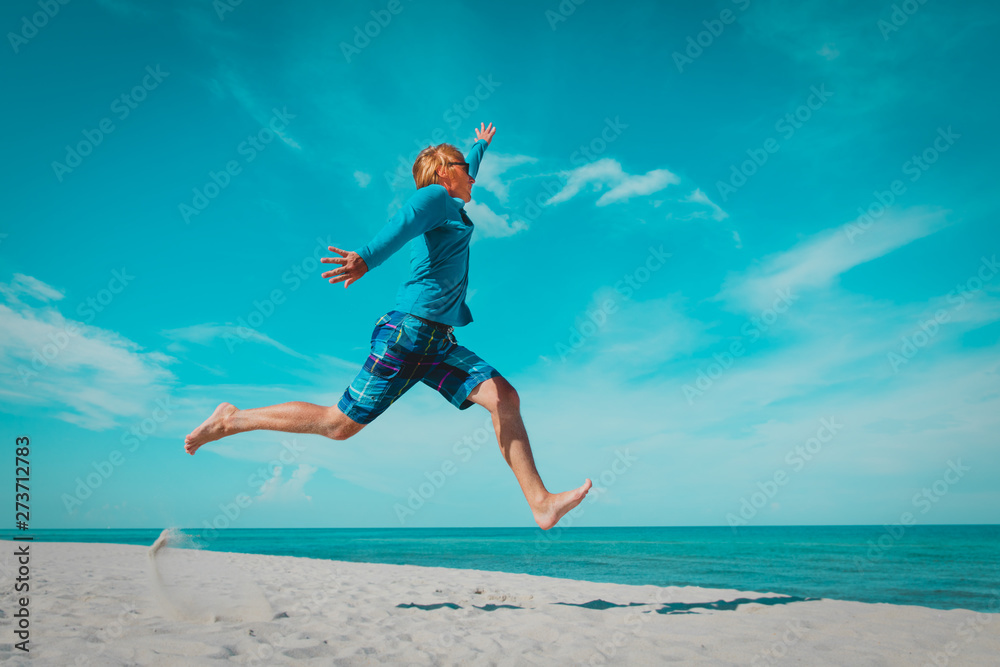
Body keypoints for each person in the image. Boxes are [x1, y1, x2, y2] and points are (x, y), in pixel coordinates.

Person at [185, 122, 591, 530]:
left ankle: (540, 503)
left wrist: (479, 147)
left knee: (504, 397)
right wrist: (364, 258)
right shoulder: (434, 197)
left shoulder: (453, 202)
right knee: (337, 425)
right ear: (444, 174)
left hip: (438, 343)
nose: (472, 174)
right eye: (464, 167)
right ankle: (231, 420)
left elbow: (465, 171)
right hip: (407, 333)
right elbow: (404, 219)